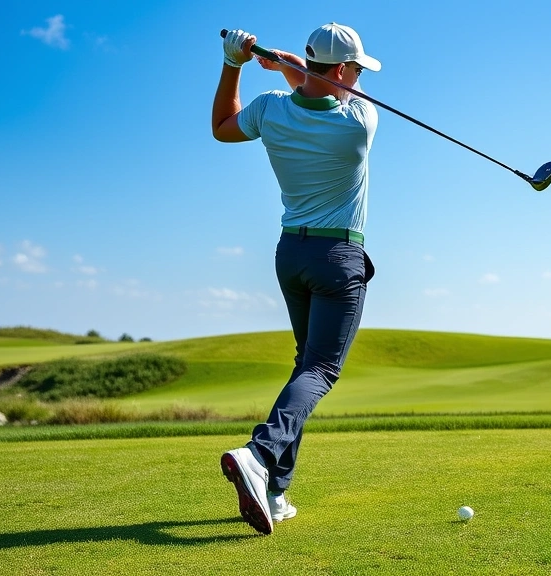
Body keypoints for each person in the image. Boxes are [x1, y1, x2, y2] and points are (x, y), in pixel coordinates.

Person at [211, 23, 380, 535]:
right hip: (338, 255)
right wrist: (291, 66)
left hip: (291, 252)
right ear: (347, 70)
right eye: (358, 69)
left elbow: (222, 125)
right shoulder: (360, 121)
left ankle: (277, 491)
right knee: (322, 370)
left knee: (304, 366)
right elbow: (330, 93)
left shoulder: (267, 109)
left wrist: (234, 62)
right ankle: (259, 455)